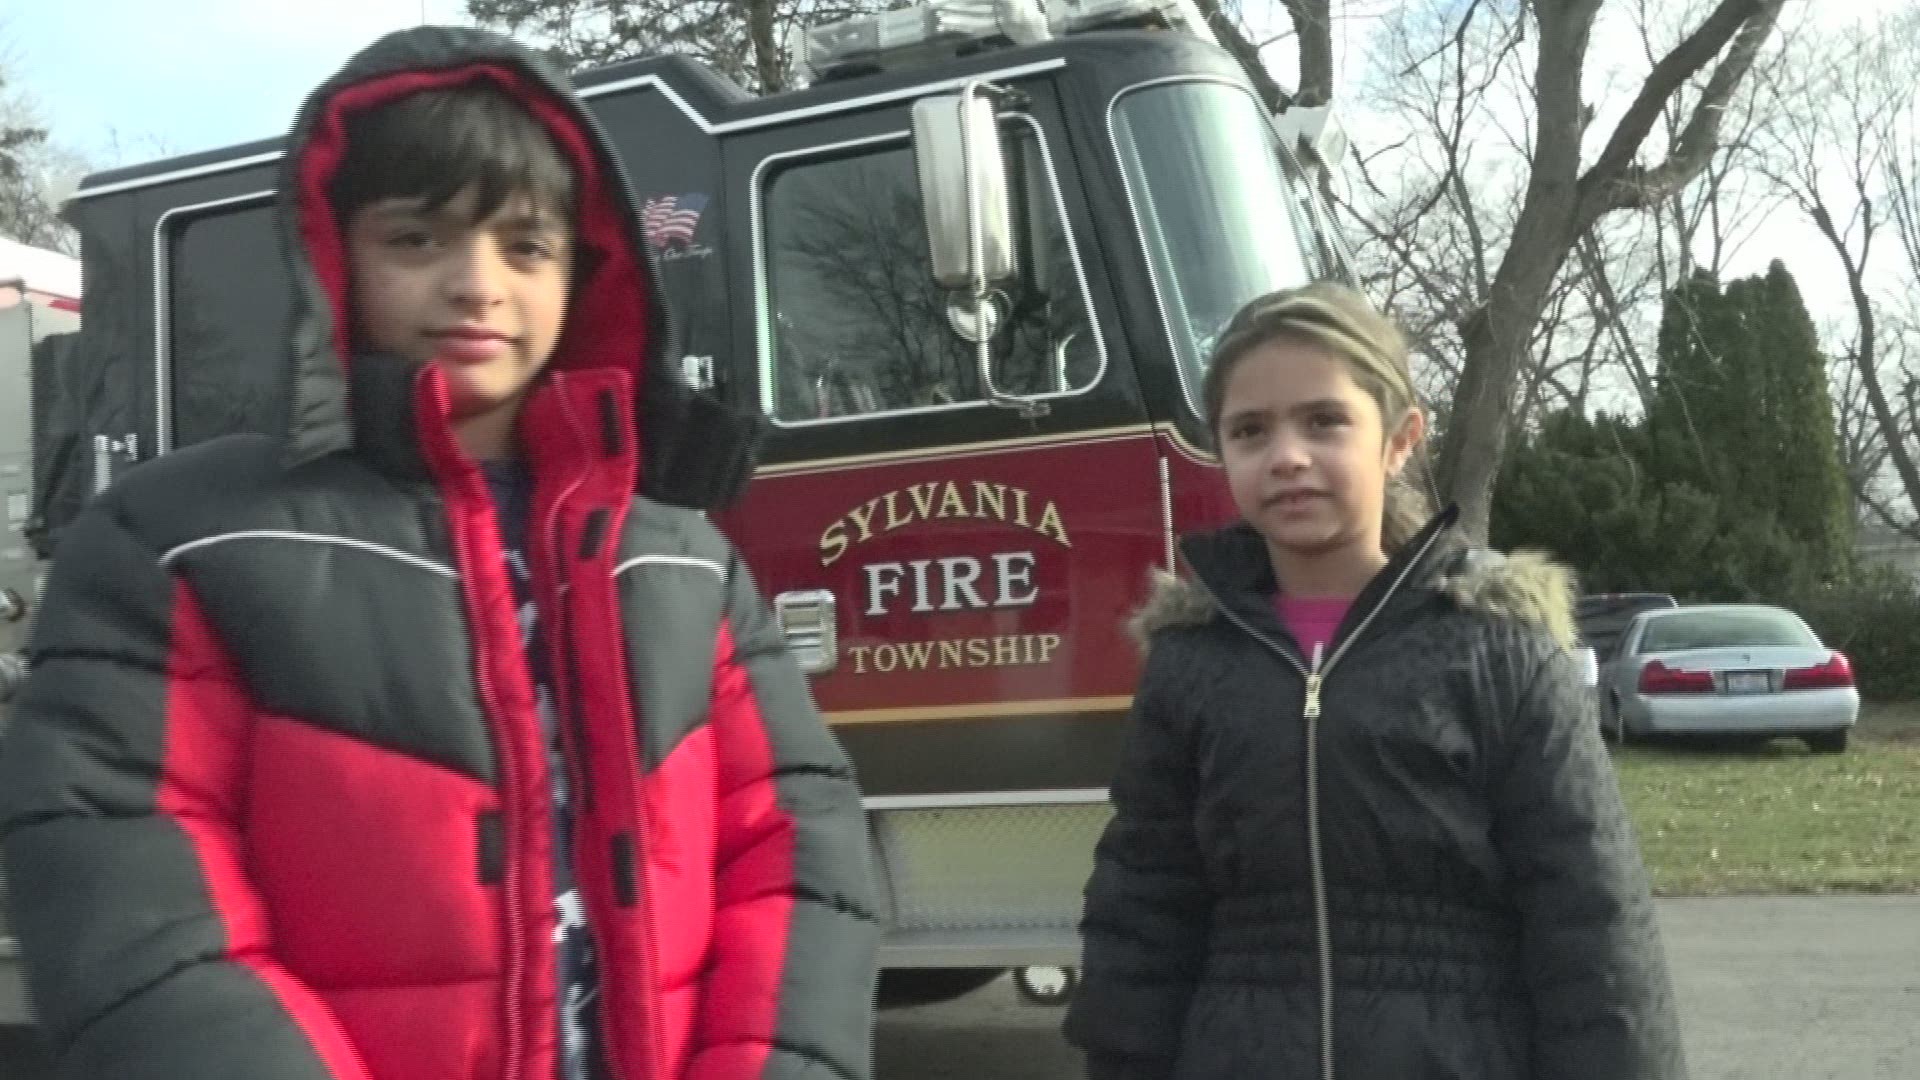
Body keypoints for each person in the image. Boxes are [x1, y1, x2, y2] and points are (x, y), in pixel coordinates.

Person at [0, 26, 878, 1080]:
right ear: (334, 254)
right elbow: (126, 895)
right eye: (417, 239)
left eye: (527, 246)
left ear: (584, 276)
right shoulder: (179, 540)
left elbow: (796, 849)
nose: (478, 284)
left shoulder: (685, 559)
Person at [1062, 284, 1686, 1080]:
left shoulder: (1497, 652)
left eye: (1324, 421)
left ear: (1399, 439)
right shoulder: (1192, 664)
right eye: (1250, 430)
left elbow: (1592, 926)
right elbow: (1141, 915)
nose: (1287, 455)